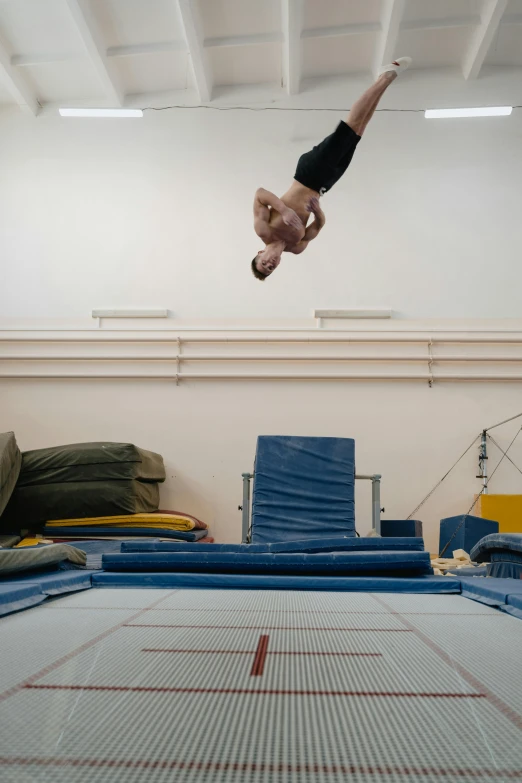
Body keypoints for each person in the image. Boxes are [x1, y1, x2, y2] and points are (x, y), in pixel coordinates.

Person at [251, 57, 412, 280]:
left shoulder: (263, 230)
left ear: (260, 253)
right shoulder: (296, 247)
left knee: (350, 128)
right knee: (358, 133)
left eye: (263, 263)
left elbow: (260, 195)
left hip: (307, 174)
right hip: (324, 185)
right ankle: (384, 80)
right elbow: (318, 226)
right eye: (271, 268)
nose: (270, 264)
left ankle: (387, 75)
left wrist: (284, 209)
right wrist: (317, 212)